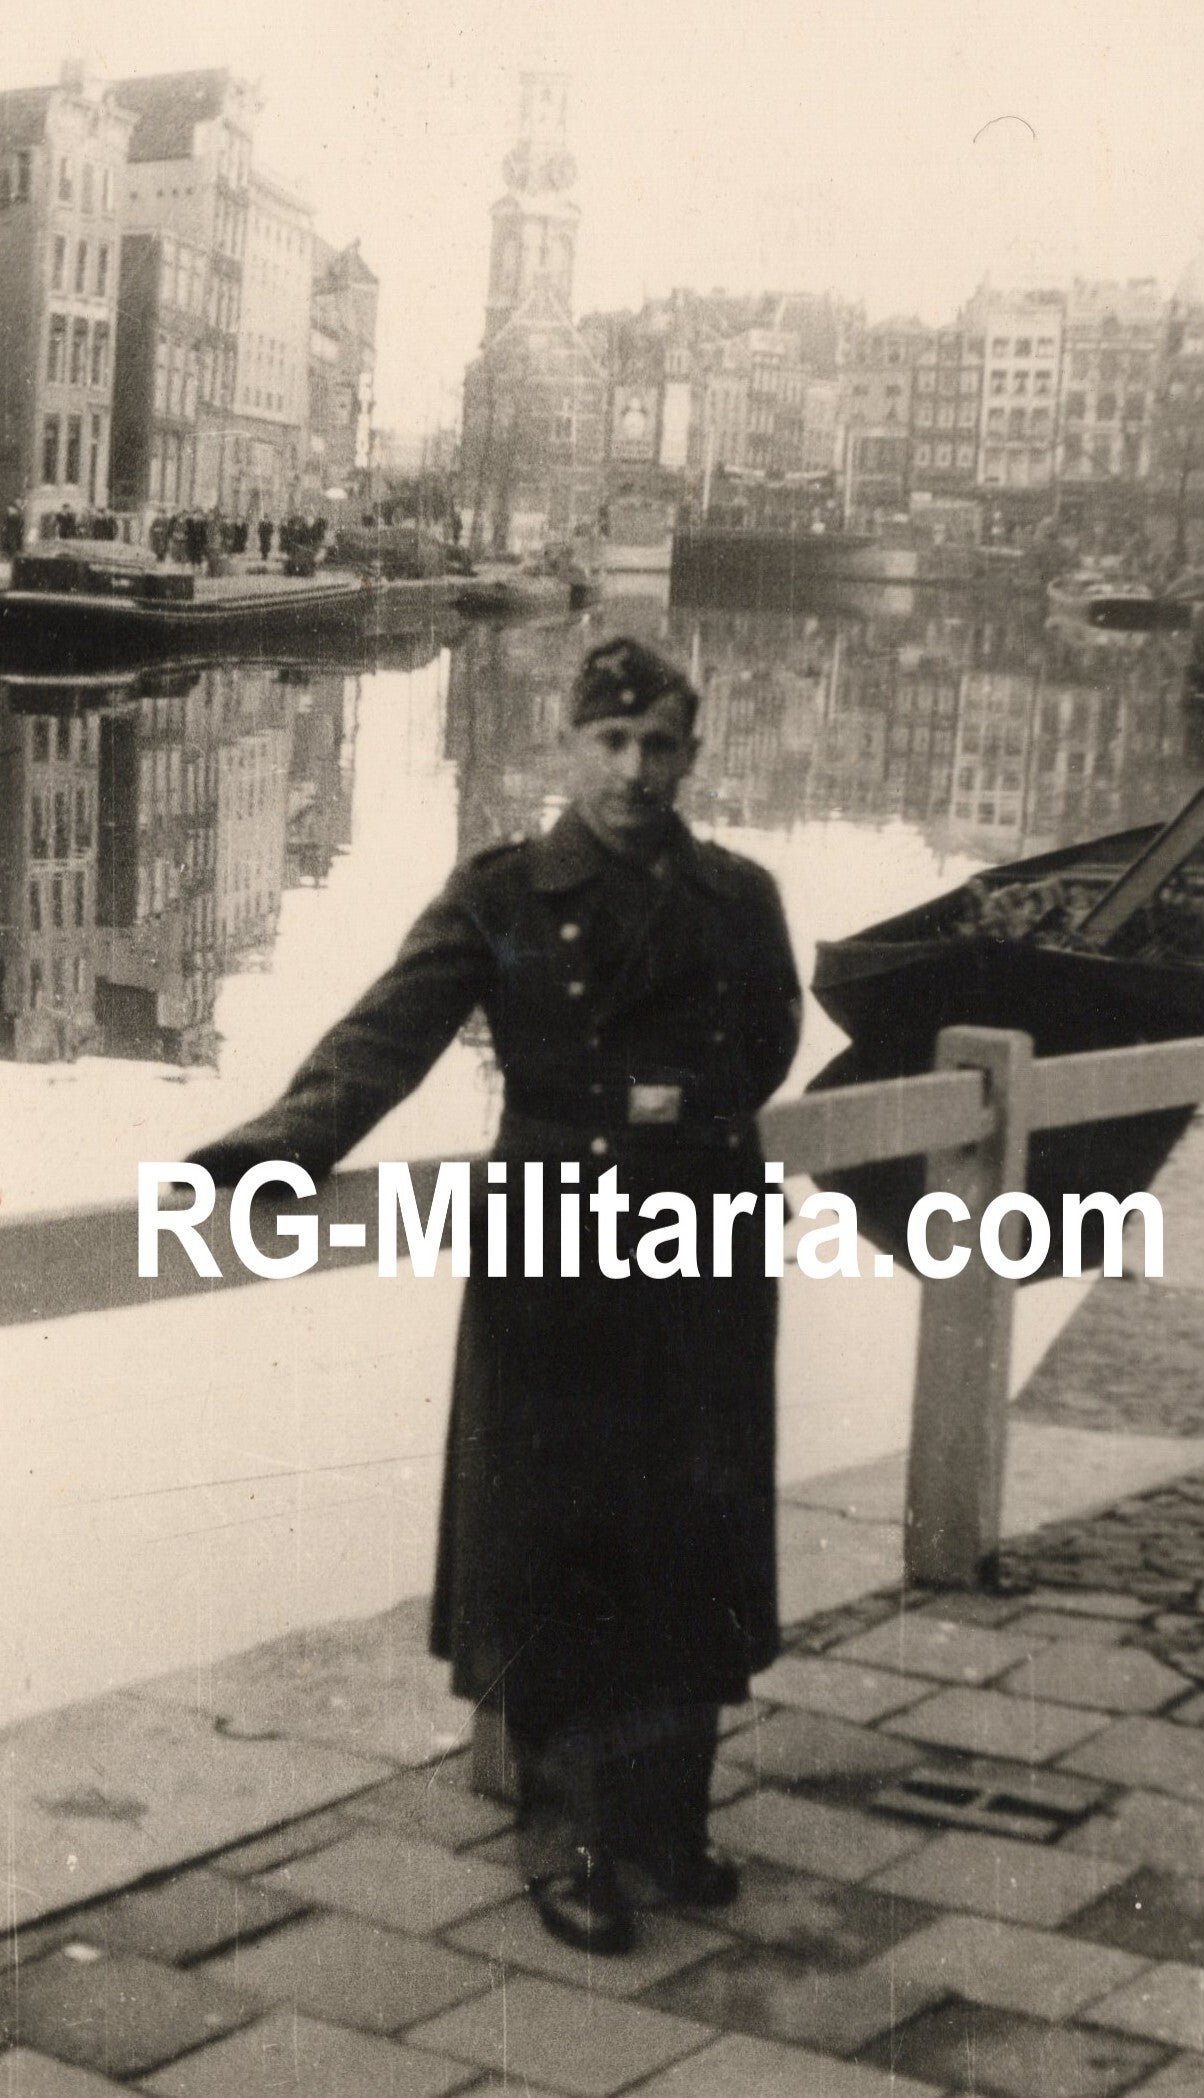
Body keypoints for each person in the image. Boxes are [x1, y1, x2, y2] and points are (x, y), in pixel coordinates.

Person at [185, 636, 802, 1956]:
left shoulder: (740, 895)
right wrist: (274, 1148)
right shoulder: (505, 890)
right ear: (569, 746)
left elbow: (765, 1046)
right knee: (564, 1538)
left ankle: (666, 1822)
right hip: (559, 1248)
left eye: (661, 747)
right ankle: (568, 1837)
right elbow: (387, 1034)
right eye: (611, 743)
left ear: (692, 756)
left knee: (691, 1525)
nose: (635, 771)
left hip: (701, 1242)